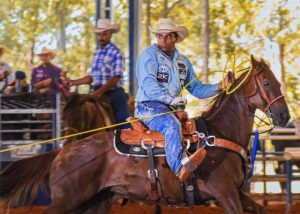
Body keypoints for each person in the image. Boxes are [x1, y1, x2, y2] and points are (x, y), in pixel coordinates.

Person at [135, 18, 233, 182]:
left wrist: (220, 86)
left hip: (170, 108)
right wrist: (170, 99)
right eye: (160, 36)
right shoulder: (149, 55)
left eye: (167, 36)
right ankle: (179, 168)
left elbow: (197, 89)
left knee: (197, 127)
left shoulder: (183, 62)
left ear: (175, 38)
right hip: (147, 106)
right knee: (170, 124)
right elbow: (148, 83)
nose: (163, 40)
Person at [64, 18, 130, 128]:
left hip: (113, 92)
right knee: (75, 111)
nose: (101, 37)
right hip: (96, 91)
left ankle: (128, 142)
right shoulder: (97, 53)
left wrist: (99, 92)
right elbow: (92, 77)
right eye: (99, 35)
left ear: (110, 34)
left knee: (123, 118)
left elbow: (116, 78)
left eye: (104, 34)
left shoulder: (116, 53)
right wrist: (73, 82)